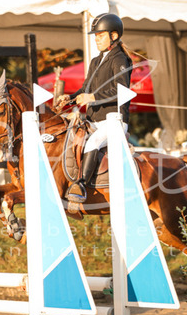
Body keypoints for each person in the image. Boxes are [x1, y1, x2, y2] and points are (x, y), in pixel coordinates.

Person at [56, 13, 133, 203]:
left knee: (92, 143)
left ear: (114, 36)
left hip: (114, 121)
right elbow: (85, 89)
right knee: (70, 139)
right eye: (96, 36)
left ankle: (81, 185)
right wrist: (70, 99)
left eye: (100, 35)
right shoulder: (96, 61)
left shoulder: (120, 59)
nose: (96, 39)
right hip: (94, 120)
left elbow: (121, 89)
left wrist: (92, 97)